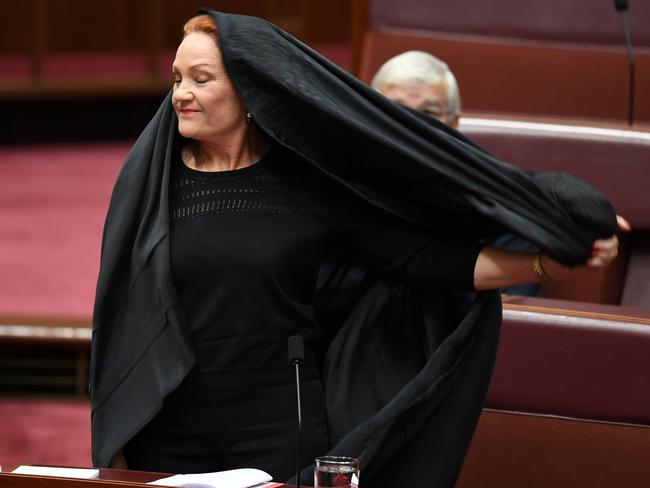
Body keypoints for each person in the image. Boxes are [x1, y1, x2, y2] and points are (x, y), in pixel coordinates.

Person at [91, 10, 627, 487]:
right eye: (178, 78)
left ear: (251, 89)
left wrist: (543, 260)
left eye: (202, 79)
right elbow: (122, 316)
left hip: (277, 430)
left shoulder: (311, 185)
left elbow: (427, 261)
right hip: (164, 426)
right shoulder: (152, 184)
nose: (180, 93)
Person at [372, 50, 546, 296]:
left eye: (429, 113)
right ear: (368, 115)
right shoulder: (342, 184)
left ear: (454, 124)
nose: (410, 124)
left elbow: (512, 312)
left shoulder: (494, 201)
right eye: (395, 109)